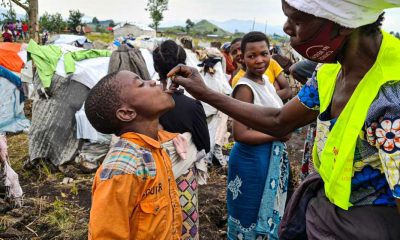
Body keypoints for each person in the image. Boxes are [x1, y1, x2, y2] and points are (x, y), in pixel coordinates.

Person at [167, 0, 400, 238]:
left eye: (297, 21)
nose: (287, 28)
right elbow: (280, 119)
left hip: (368, 226)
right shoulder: (329, 70)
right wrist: (205, 93)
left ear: (344, 24)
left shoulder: (392, 94)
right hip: (327, 212)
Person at [86, 71, 182, 239]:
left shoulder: (155, 148)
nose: (152, 82)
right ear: (127, 113)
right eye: (140, 84)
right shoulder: (121, 170)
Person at [227, 31, 289, 239]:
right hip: (251, 161)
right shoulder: (245, 88)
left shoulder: (266, 82)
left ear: (270, 53)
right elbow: (241, 133)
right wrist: (277, 134)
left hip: (266, 157)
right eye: (252, 56)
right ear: (241, 58)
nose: (259, 60)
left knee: (265, 210)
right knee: (250, 213)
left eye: (264, 53)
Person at [153, 40, 210, 240]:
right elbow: (205, 146)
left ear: (155, 67)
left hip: (149, 183)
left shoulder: (143, 103)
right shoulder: (191, 106)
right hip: (182, 181)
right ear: (184, 65)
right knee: (182, 227)